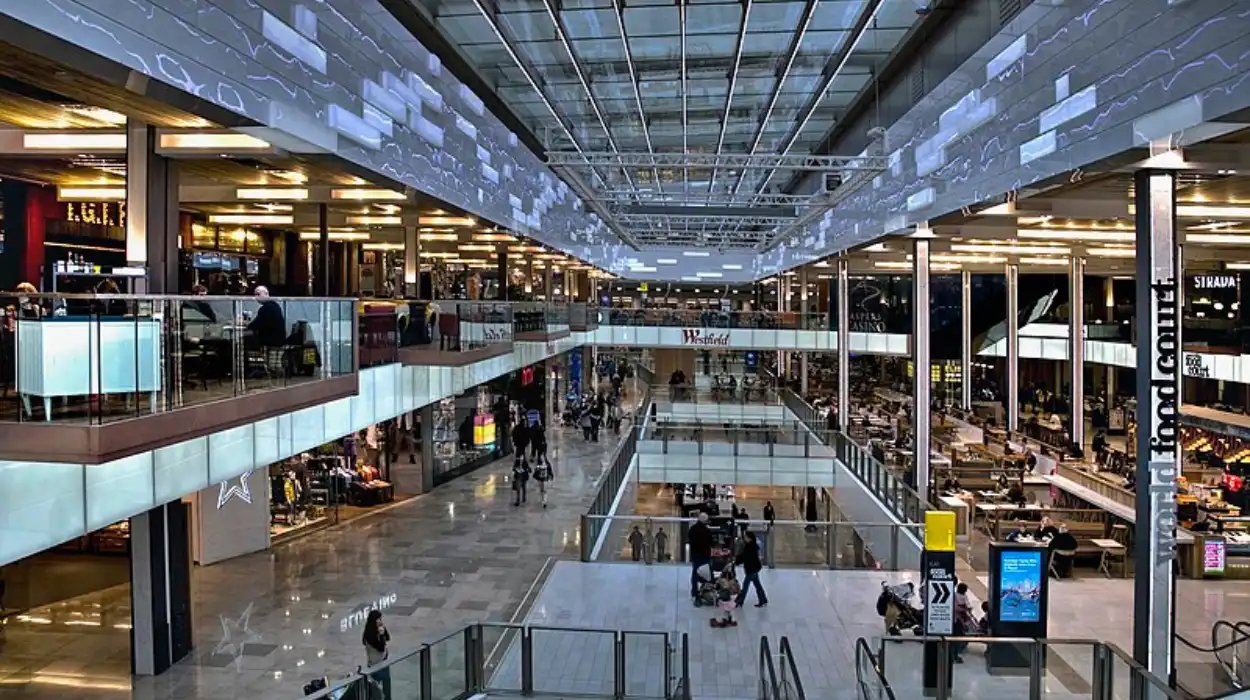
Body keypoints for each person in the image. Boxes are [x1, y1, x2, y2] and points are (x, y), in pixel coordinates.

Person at [247, 286, 288, 377]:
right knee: (276, 362)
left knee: (270, 364)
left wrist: (248, 326)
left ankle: (272, 376)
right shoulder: (276, 306)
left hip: (270, 340)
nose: (256, 297)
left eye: (258, 294)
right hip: (280, 339)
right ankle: (278, 378)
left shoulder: (265, 309)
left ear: (266, 294)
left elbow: (257, 323)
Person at [734, 531, 768, 608]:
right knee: (757, 585)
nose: (744, 538)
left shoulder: (749, 547)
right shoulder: (752, 546)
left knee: (745, 586)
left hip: (751, 569)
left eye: (745, 537)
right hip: (755, 568)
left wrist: (737, 561)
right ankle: (763, 600)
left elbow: (745, 557)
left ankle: (739, 602)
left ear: (750, 538)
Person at [362, 610, 392, 700]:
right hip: (375, 665)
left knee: (387, 684)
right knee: (376, 688)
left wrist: (383, 630)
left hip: (383, 662)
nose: (380, 620)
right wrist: (381, 635)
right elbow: (381, 647)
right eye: (378, 619)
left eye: (380, 618)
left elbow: (388, 638)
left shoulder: (379, 628)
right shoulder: (369, 635)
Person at [688, 512, 713, 604]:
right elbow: (710, 542)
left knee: (695, 572)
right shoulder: (706, 531)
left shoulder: (693, 529)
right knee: (706, 573)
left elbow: (690, 539)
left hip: (695, 554)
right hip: (705, 555)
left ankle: (694, 591)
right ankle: (705, 590)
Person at [952, 582, 975, 663]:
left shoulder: (954, 595)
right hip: (960, 618)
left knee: (955, 635)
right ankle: (955, 654)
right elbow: (968, 607)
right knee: (959, 635)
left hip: (955, 618)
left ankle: (954, 653)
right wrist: (966, 610)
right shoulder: (964, 597)